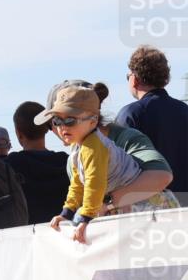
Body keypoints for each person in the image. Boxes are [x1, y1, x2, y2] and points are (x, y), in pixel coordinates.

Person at [38, 86, 155, 244]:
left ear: (93, 121)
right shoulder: (78, 147)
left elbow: (95, 184)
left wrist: (85, 218)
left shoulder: (93, 147)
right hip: (128, 204)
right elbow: (78, 184)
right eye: (57, 120)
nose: (62, 127)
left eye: (70, 120)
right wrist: (67, 212)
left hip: (143, 206)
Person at [47, 80, 175, 211]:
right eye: (56, 120)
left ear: (92, 118)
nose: (58, 127)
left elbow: (161, 176)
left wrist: (107, 202)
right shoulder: (74, 158)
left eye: (69, 120)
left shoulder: (125, 139)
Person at [116, 45, 188, 194]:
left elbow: (118, 167)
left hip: (147, 204)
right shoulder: (185, 110)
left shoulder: (130, 114)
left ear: (134, 79)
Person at [5, 101, 71, 224]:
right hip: (67, 230)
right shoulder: (66, 161)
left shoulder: (11, 164)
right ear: (48, 128)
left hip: (28, 233)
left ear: (18, 133)